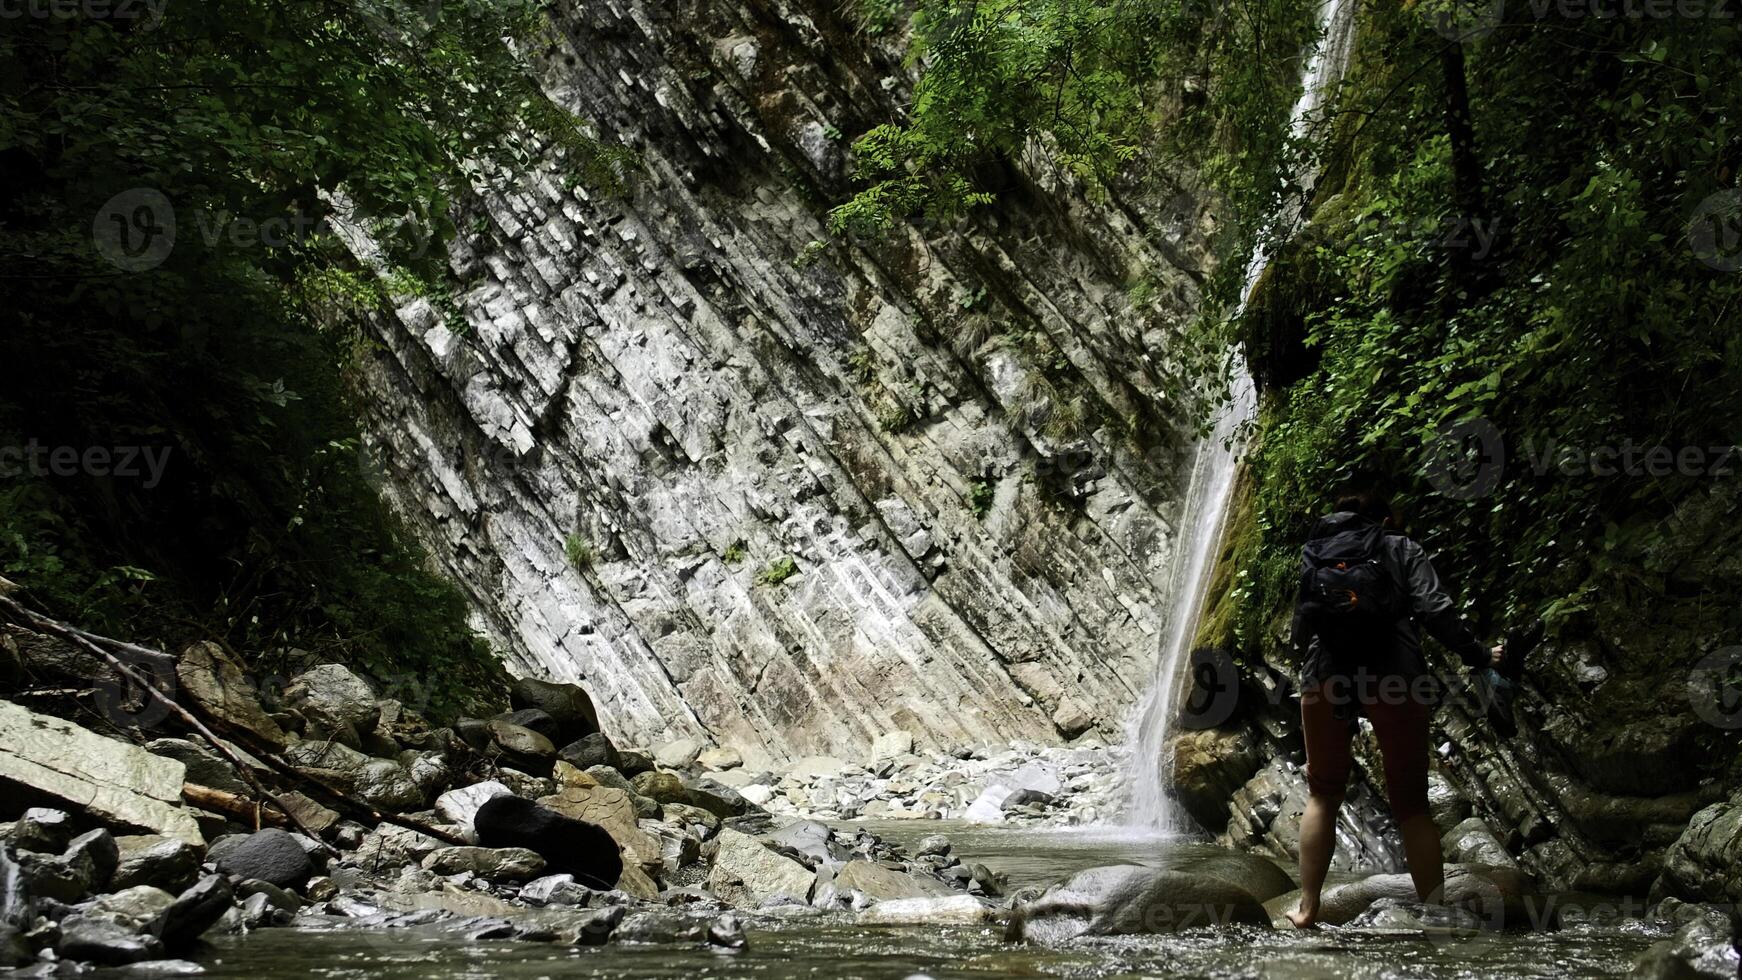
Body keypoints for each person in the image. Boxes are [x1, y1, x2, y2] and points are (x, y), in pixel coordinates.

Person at [1284, 487, 1504, 929]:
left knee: (1323, 793)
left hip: (1326, 674)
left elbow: (1299, 628)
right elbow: (1435, 609)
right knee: (1412, 806)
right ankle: (1436, 913)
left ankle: (1306, 909)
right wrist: (1479, 655)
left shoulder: (1317, 553)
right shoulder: (1401, 547)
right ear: (1385, 521)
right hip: (1396, 675)